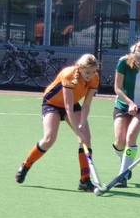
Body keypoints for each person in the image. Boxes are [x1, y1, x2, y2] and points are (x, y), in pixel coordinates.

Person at [15, 53, 101, 191]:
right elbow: (67, 108)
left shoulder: (94, 78)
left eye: (93, 72)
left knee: (87, 137)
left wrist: (82, 124)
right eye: (87, 72)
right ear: (79, 68)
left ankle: (84, 180)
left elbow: (86, 105)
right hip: (52, 104)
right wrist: (78, 133)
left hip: (73, 104)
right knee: (49, 139)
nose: (90, 76)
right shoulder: (68, 75)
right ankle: (26, 164)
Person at [111, 41, 140, 187]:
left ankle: (123, 174)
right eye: (138, 56)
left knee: (131, 137)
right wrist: (130, 103)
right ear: (133, 53)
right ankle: (125, 160)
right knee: (119, 142)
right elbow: (118, 88)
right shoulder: (123, 62)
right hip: (122, 104)